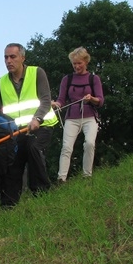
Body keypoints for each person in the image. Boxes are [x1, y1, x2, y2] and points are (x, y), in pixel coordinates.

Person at [0, 42, 58, 207]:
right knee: (11, 161)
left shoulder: (37, 73)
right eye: (5, 57)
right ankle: (8, 204)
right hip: (15, 132)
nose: (8, 61)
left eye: (12, 57)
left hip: (42, 125)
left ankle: (42, 194)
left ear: (23, 57)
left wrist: (37, 119)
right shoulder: (1, 83)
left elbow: (45, 100)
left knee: (33, 148)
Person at [52, 47, 104, 181]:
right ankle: (61, 178)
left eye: (79, 63)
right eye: (74, 63)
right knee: (66, 147)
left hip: (90, 116)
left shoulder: (94, 79)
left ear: (86, 62)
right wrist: (56, 104)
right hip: (72, 117)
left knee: (89, 144)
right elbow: (61, 100)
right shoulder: (67, 79)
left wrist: (91, 98)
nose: (76, 66)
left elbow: (100, 100)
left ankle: (87, 175)